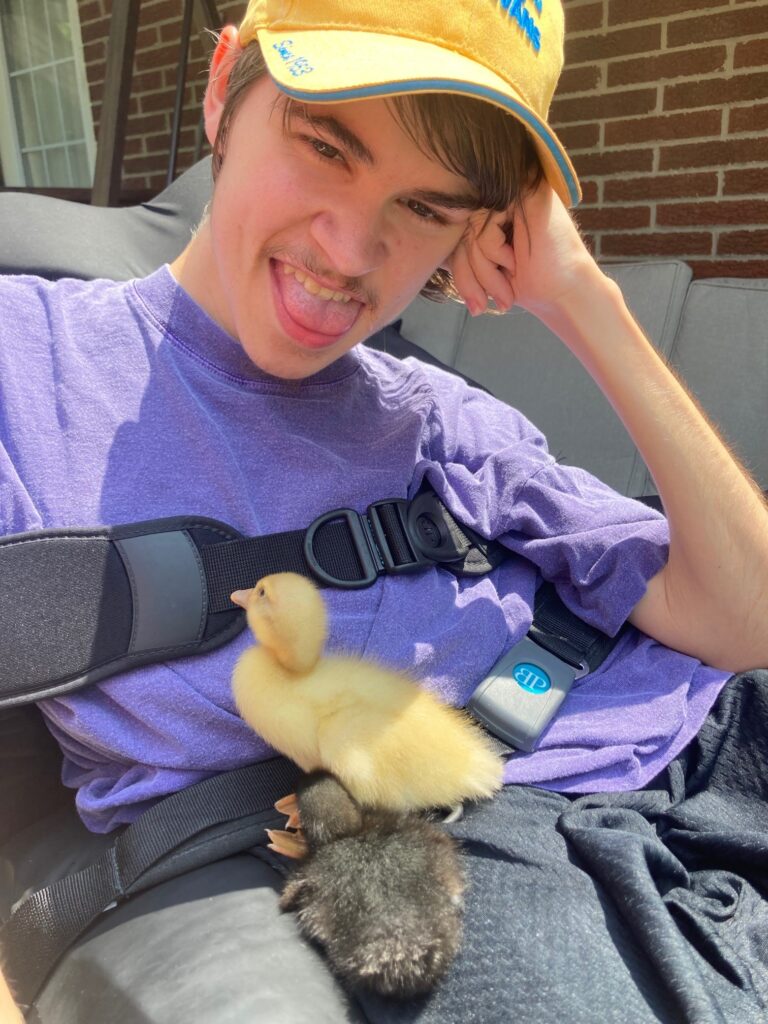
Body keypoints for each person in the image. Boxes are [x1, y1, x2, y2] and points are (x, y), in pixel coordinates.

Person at [1, 0, 767, 1020]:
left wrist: (582, 298)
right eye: (327, 145)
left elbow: (742, 619)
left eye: (429, 207)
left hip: (703, 737)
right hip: (479, 844)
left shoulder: (444, 415)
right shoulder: (31, 361)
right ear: (225, 88)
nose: (352, 249)